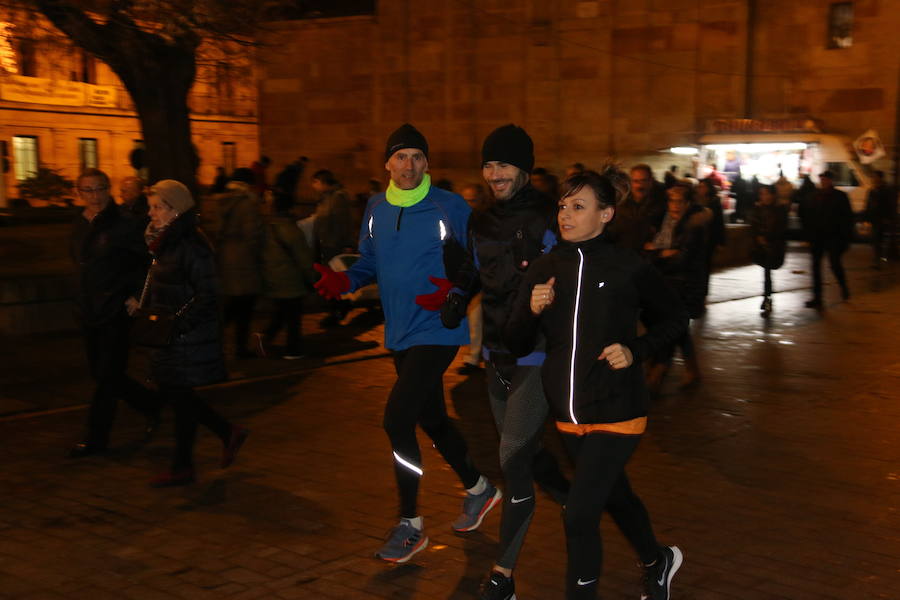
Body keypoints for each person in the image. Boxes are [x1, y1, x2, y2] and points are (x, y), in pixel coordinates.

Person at [312, 123, 500, 563]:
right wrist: (345, 280)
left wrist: (455, 293)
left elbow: (478, 261)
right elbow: (371, 262)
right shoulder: (376, 207)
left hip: (437, 329)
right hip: (397, 331)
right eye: (401, 157)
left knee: (398, 420)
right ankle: (479, 489)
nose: (409, 165)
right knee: (431, 418)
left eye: (417, 157)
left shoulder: (449, 206)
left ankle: (410, 524)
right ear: (388, 164)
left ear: (427, 163)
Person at [505, 169, 686, 600]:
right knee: (614, 495)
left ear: (606, 214)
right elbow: (514, 342)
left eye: (578, 207)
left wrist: (636, 349)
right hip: (569, 417)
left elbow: (676, 317)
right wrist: (531, 310)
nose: (565, 214)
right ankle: (657, 559)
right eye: (563, 206)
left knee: (580, 515)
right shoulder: (546, 268)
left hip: (619, 410)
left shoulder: (628, 267)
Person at [441, 124, 570, 600]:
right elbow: (475, 271)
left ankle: (503, 577)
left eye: (504, 164)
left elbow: (568, 278)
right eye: (489, 164)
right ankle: (572, 494)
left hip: (535, 355)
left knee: (512, 464)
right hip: (496, 355)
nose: (494, 173)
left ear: (524, 169)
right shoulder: (481, 221)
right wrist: (458, 293)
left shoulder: (548, 218)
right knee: (524, 454)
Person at [129, 180, 248, 486]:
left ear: (175, 209)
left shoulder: (191, 245)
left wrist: (175, 325)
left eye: (157, 207)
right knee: (179, 397)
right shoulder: (163, 241)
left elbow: (207, 295)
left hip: (183, 338)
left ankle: (198, 454)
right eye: (150, 206)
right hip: (170, 335)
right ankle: (205, 449)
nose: (151, 213)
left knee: (179, 397)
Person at [69, 168, 160, 458]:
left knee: (108, 376)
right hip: (88, 311)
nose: (94, 196)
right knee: (104, 374)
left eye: (99, 189)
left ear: (108, 190)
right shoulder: (78, 223)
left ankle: (97, 438)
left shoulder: (124, 223)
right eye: (87, 190)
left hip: (115, 310)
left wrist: (137, 296)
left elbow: (148, 262)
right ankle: (150, 404)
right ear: (78, 193)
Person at [644, 182, 710, 390]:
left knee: (671, 326)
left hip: (685, 284)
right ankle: (692, 370)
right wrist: (662, 252)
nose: (675, 205)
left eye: (680, 201)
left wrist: (658, 253)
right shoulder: (667, 222)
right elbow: (652, 249)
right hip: (669, 282)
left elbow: (682, 259)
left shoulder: (692, 225)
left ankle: (658, 372)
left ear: (688, 203)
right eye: (672, 201)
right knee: (679, 328)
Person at [256, 192, 316, 359]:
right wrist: (312, 279)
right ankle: (293, 350)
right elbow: (304, 259)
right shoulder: (291, 230)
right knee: (294, 318)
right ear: (291, 208)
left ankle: (265, 336)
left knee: (282, 312)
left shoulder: (268, 227)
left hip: (273, 278)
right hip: (291, 280)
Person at [215, 168, 263, 358]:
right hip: (244, 261)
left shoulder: (221, 202)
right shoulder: (247, 204)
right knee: (244, 308)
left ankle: (213, 343)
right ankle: (241, 349)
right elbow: (253, 235)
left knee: (229, 306)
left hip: (226, 258)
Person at [799, 170, 853, 308]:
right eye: (822, 179)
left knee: (835, 264)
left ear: (831, 181)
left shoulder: (840, 196)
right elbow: (806, 215)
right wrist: (807, 235)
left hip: (834, 236)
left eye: (826, 180)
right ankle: (817, 298)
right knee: (816, 267)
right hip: (817, 237)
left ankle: (844, 287)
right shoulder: (813, 196)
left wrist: (846, 238)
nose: (823, 182)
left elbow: (847, 218)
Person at [311, 169, 355, 327]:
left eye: (315, 182)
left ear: (323, 182)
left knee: (334, 280)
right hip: (325, 245)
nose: (313, 186)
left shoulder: (338, 198)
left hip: (334, 245)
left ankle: (338, 311)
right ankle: (337, 309)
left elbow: (345, 222)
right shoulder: (324, 198)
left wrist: (348, 244)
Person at [457, 183, 487, 375]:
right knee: (474, 316)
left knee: (476, 317)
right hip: (470, 273)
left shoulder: (486, 219)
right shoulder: (462, 218)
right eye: (465, 200)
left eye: (472, 200)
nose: (468, 204)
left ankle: (474, 357)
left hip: (485, 274)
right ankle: (474, 356)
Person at [606, 164, 667, 252]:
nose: (640, 186)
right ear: (630, 183)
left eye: (643, 181)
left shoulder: (662, 205)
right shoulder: (621, 205)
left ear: (651, 181)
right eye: (636, 181)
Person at [748, 184, 788, 315]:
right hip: (761, 247)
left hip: (773, 247)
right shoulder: (758, 209)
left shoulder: (780, 210)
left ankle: (767, 298)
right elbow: (753, 225)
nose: (764, 197)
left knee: (767, 274)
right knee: (766, 274)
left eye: (766, 194)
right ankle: (767, 298)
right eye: (762, 194)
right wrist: (758, 237)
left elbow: (780, 229)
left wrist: (768, 238)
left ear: (773, 195)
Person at [695, 177, 726, 298]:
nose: (700, 189)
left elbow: (719, 223)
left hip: (709, 239)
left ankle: (703, 292)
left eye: (703, 187)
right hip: (698, 239)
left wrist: (720, 242)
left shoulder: (714, 202)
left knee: (706, 266)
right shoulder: (696, 201)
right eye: (699, 187)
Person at [865, 170, 897, 267]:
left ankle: (880, 261)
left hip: (882, 219)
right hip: (874, 219)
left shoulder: (886, 190)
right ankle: (877, 260)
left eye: (875, 177)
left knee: (879, 240)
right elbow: (868, 205)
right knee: (875, 240)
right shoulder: (872, 191)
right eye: (873, 177)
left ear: (880, 178)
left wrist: (888, 218)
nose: (873, 179)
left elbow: (890, 205)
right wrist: (867, 217)